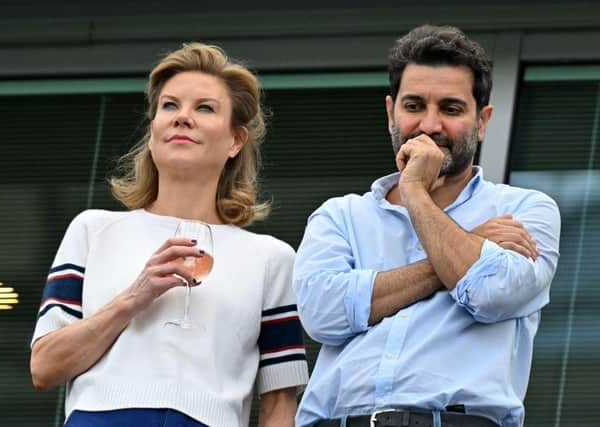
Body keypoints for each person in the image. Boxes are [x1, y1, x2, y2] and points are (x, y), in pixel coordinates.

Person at [293, 25, 560, 427]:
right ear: (390, 113)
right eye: (414, 106)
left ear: (483, 121)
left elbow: (489, 292)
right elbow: (323, 315)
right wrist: (465, 251)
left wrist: (415, 191)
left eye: (451, 109)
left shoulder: (525, 209)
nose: (429, 125)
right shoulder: (341, 216)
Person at [30, 43, 309, 427]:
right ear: (153, 130)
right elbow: (44, 367)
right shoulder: (93, 230)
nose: (182, 118)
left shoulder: (272, 259)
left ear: (235, 141)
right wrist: (132, 298)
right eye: (170, 106)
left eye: (205, 108)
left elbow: (279, 405)